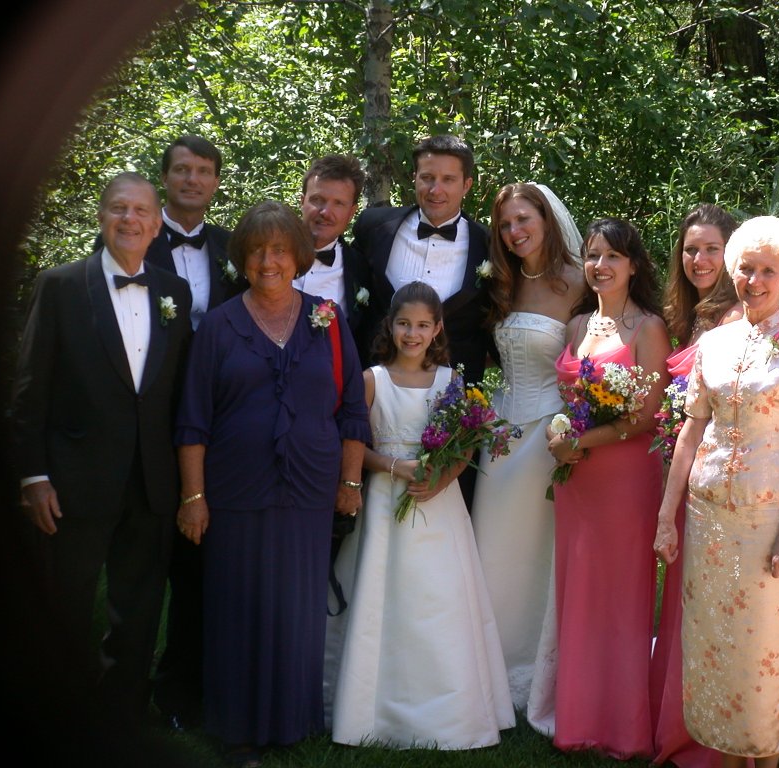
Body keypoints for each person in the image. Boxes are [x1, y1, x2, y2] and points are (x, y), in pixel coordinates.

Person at [173, 200, 369, 767]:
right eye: (257, 250)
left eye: (280, 249)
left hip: (309, 491)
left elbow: (352, 409)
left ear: (298, 256)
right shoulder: (218, 326)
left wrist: (350, 482)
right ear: (242, 257)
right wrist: (193, 497)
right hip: (236, 492)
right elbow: (192, 419)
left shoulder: (327, 319)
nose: (268, 261)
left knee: (297, 607)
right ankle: (238, 730)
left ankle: (289, 721)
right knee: (238, 605)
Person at [9, 171, 193, 728]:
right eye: (119, 208)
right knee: (64, 606)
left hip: (151, 482)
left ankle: (121, 717)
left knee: (138, 611)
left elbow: (177, 392)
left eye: (141, 211)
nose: (129, 219)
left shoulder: (174, 292)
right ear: (101, 216)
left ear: (157, 225)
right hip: (74, 481)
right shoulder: (61, 285)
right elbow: (29, 388)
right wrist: (33, 476)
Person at [653, 215, 779, 768]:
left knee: (761, 655)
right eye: (746, 269)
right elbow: (691, 432)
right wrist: (666, 518)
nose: (755, 281)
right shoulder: (714, 343)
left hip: (768, 524)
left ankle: (764, 758)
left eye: (768, 271)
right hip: (709, 521)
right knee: (716, 651)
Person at [331, 280, 515, 750]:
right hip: (384, 502)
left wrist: (441, 478)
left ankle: (449, 709)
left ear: (437, 330)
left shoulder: (450, 381)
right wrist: (395, 466)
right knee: (383, 593)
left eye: (421, 325)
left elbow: (466, 442)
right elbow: (355, 445)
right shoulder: (372, 379)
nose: (411, 334)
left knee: (439, 599)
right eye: (403, 324)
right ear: (389, 326)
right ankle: (370, 710)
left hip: (438, 503)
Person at [545, 217, 671, 759]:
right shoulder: (577, 326)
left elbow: (647, 416)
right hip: (578, 481)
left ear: (634, 265)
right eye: (593, 256)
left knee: (621, 598)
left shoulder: (649, 328)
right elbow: (567, 400)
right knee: (580, 593)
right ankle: (577, 719)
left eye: (612, 256)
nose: (600, 266)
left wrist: (579, 440)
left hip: (625, 480)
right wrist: (558, 435)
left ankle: (623, 728)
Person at [470, 182, 586, 713]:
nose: (515, 231)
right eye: (505, 225)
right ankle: (488, 670)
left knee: (537, 553)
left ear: (546, 218)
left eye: (523, 219)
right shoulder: (502, 282)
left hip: (547, 434)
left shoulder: (580, 282)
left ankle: (537, 674)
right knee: (493, 548)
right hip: (499, 435)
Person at [148, 134, 243, 733]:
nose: (192, 179)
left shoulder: (231, 247)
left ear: (215, 182)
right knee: (145, 561)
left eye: (203, 171)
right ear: (166, 177)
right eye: (182, 169)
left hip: (218, 423)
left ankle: (186, 687)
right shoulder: (134, 236)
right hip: (150, 419)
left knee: (200, 561)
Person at [352, 134, 492, 510]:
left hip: (448, 411)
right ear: (414, 177)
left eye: (448, 179)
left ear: (467, 184)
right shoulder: (373, 227)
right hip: (377, 406)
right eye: (427, 177)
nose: (435, 189)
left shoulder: (490, 245)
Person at [650, 202, 741, 768]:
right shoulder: (685, 317)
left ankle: (712, 737)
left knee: (710, 608)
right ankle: (675, 721)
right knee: (682, 604)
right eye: (690, 249)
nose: (699, 259)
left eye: (711, 249)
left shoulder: (738, 317)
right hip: (680, 476)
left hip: (717, 484)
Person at [292, 153, 371, 353]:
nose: (326, 212)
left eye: (338, 203)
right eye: (317, 200)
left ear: (352, 212)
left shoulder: (362, 270)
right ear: (302, 201)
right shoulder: (265, 255)